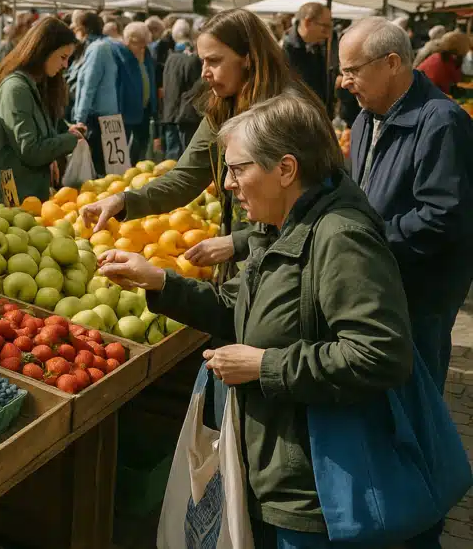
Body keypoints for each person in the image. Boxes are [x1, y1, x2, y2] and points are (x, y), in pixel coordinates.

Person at [98, 93, 413, 549]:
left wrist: (264, 366)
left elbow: (381, 354)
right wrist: (161, 283)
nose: (227, 184)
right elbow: (242, 308)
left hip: (314, 488)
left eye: (238, 168)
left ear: (285, 170)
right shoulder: (282, 225)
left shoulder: (341, 237)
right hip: (275, 468)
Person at [82, 9, 322, 272]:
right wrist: (123, 201)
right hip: (246, 265)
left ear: (249, 59)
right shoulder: (223, 107)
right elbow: (186, 176)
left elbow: (311, 210)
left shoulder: (291, 114)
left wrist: (238, 242)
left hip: (286, 266)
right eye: (203, 61)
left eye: (214, 61)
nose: (204, 73)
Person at [339, 17, 473, 392]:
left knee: (418, 400)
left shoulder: (443, 123)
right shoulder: (366, 117)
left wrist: (367, 236)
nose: (344, 82)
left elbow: (444, 216)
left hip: (421, 293)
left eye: (352, 71)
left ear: (392, 62)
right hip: (379, 279)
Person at [0, 17, 87, 202]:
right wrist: (71, 139)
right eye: (63, 57)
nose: (65, 65)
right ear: (43, 50)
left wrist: (67, 130)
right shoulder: (16, 88)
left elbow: (45, 125)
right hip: (12, 197)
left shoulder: (35, 85)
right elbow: (31, 150)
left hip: (28, 194)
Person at [73, 21, 156, 169]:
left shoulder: (131, 53)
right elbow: (88, 85)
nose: (142, 49)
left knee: (118, 164)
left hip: (121, 116)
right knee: (104, 164)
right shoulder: (105, 50)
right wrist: (81, 118)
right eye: (139, 44)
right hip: (106, 117)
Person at [159, 18, 202, 160]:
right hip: (186, 117)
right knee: (184, 159)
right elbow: (197, 89)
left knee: (171, 160)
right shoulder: (193, 59)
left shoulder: (170, 58)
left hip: (170, 114)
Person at [283, 2, 333, 103]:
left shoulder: (317, 46)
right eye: (325, 27)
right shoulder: (283, 51)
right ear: (307, 23)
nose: (328, 34)